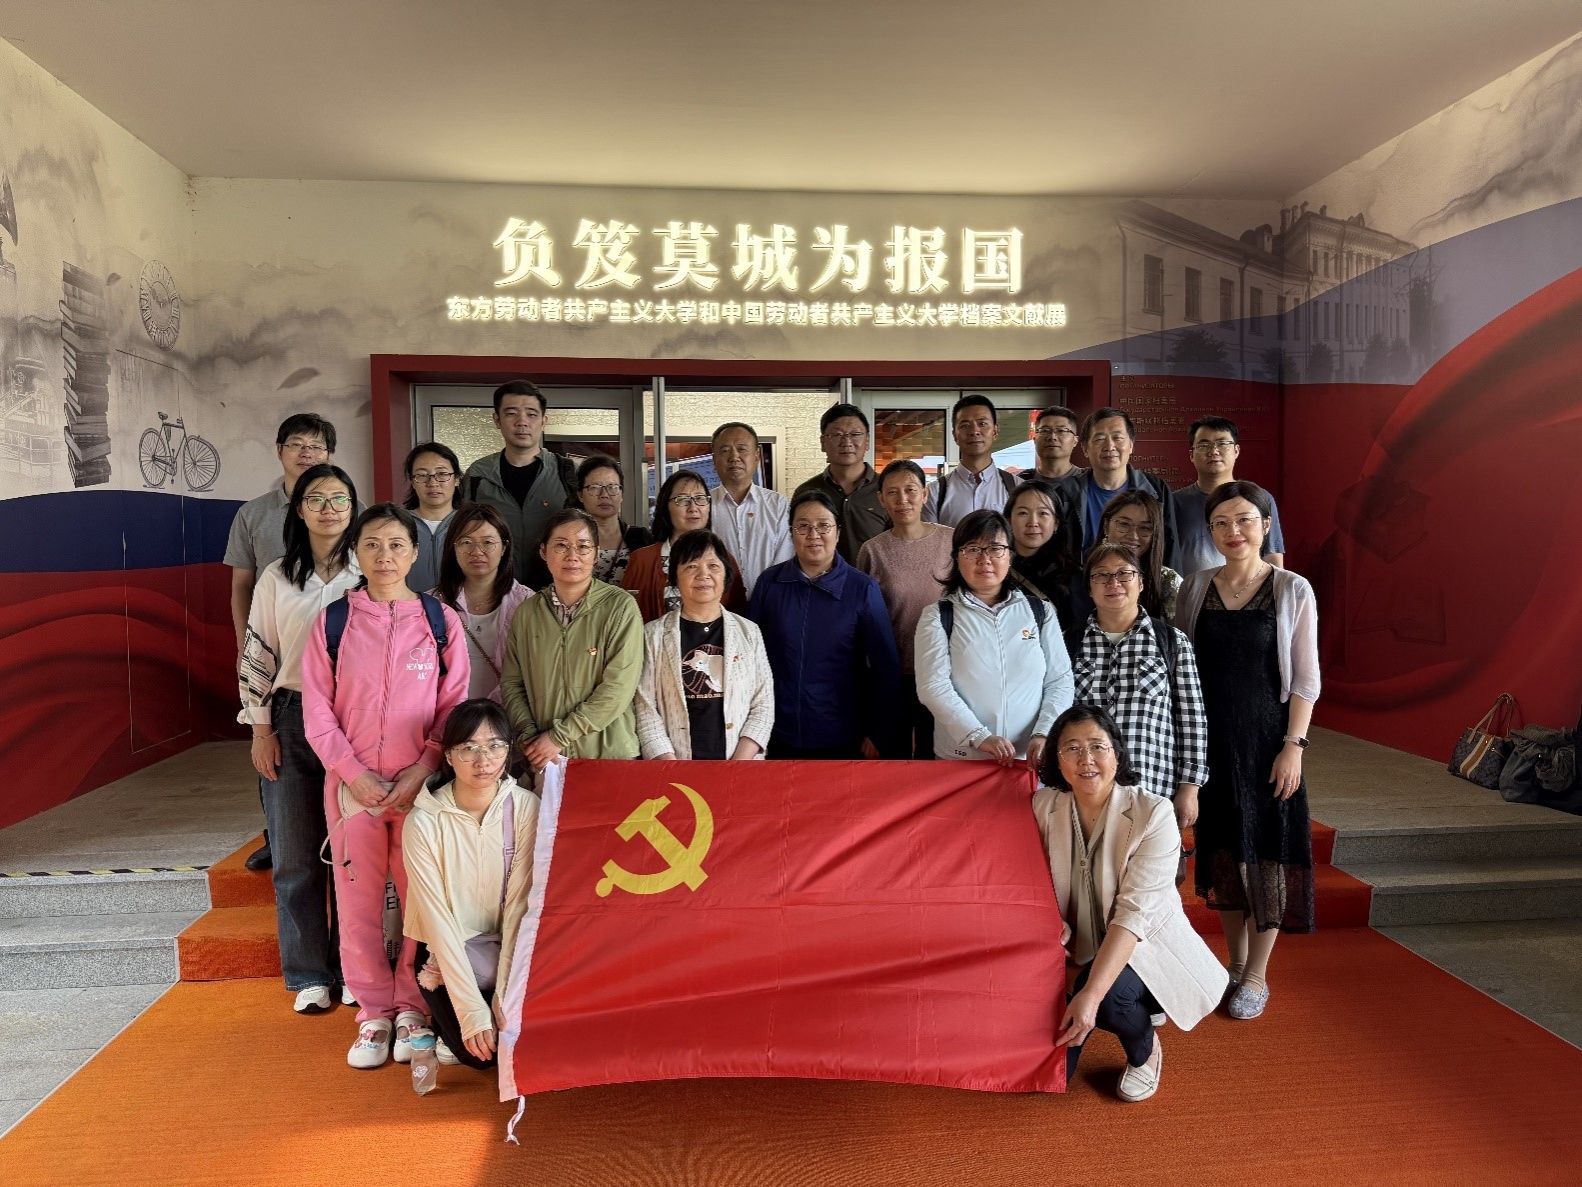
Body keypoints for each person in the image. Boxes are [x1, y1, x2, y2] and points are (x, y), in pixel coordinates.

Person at [301, 503, 469, 1070]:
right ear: (356, 552)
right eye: (372, 544)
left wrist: (423, 768)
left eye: (397, 544)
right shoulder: (334, 622)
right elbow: (317, 712)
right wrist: (354, 774)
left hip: (421, 789)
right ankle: (373, 1012)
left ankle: (413, 1008)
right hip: (355, 792)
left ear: (415, 553)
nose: (385, 556)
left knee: (421, 902)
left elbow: (453, 706)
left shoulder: (440, 621)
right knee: (358, 905)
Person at [1174, 481, 1319, 1021]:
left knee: (1267, 851)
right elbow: (1181, 669)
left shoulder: (1291, 589)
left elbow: (1305, 679)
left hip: (1267, 743)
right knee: (1222, 851)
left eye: (1244, 520)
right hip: (1209, 743)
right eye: (1221, 523)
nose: (1233, 532)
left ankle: (1257, 973)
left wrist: (1293, 746)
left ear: (1265, 526)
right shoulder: (1195, 587)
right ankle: (1234, 965)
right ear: (1209, 531)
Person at [1033, 705, 1229, 1101]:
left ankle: (1145, 1051)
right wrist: (1050, 919)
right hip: (1074, 946)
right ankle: (1091, 991)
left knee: (1107, 1000)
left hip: (1143, 945)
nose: (1086, 760)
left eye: (1097, 746)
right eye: (1072, 748)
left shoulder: (1153, 813)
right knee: (1052, 1072)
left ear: (1117, 754)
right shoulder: (1044, 807)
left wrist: (1089, 995)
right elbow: (1030, 880)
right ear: (1056, 758)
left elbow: (1133, 917)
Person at [237, 463, 361, 1015]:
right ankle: (309, 972)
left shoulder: (370, 571)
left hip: (356, 721)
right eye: (316, 499)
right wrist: (260, 729)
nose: (329, 508)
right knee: (293, 854)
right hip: (291, 715)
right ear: (299, 510)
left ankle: (354, 968)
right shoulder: (276, 577)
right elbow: (258, 654)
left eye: (339, 498)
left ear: (353, 508)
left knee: (354, 854)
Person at [226, 412, 339, 872]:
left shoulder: (346, 510)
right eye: (297, 444)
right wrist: (246, 646)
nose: (307, 453)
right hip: (277, 652)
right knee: (274, 752)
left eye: (316, 446)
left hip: (338, 676)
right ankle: (279, 837)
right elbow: (241, 585)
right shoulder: (253, 514)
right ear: (280, 451)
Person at [402, 698, 538, 1072]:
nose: (483, 760)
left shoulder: (525, 808)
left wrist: (504, 997)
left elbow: (519, 907)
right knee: (480, 1058)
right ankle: (445, 1016)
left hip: (508, 946)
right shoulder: (424, 822)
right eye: (469, 748)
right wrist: (472, 1011)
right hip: (446, 950)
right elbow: (437, 922)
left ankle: (483, 998)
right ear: (448, 756)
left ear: (508, 751)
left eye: (495, 746)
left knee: (521, 1043)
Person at [748, 490, 902, 759]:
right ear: (791, 533)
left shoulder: (862, 588)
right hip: (777, 729)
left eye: (823, 526)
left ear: (838, 532)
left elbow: (885, 665)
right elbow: (749, 658)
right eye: (803, 526)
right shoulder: (770, 583)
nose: (813, 535)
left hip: (843, 731)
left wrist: (878, 731)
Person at [914, 510, 1074, 765]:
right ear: (956, 557)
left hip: (1029, 757)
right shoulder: (938, 615)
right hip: (962, 758)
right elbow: (932, 687)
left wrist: (1044, 732)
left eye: (995, 549)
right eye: (972, 549)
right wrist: (979, 736)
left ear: (1010, 556)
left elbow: (1060, 680)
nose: (984, 559)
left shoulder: (1040, 611)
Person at [1069, 543, 1208, 822]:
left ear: (1141, 583)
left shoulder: (1172, 642)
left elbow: (1192, 718)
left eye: (1124, 573)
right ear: (1090, 588)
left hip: (1152, 789)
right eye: (1102, 575)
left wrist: (1190, 789)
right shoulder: (1069, 643)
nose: (1114, 583)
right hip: (1083, 791)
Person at [500, 508, 644, 773]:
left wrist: (558, 736)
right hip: (547, 759)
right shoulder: (527, 612)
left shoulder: (620, 607)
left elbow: (619, 687)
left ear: (596, 554)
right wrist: (530, 738)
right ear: (544, 552)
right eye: (561, 545)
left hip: (610, 756)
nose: (572, 555)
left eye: (583, 546)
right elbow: (512, 683)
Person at [634, 529, 775, 760]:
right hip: (674, 766)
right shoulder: (652, 635)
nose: (703, 575)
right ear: (675, 577)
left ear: (726, 575)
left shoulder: (749, 632)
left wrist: (738, 765)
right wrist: (671, 768)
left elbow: (763, 704)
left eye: (713, 566)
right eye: (691, 566)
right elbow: (645, 709)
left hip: (741, 764)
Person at [856, 460, 955, 758]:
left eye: (910, 490)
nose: (903, 500)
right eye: (892, 492)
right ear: (881, 499)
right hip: (893, 671)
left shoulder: (951, 541)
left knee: (934, 752)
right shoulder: (872, 550)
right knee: (894, 753)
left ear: (924, 494)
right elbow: (864, 617)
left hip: (943, 668)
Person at [461, 380, 578, 588]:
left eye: (531, 414)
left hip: (555, 590)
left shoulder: (567, 472)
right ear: (497, 420)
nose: (522, 422)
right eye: (511, 413)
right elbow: (463, 533)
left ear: (544, 421)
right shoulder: (478, 474)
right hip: (494, 589)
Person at [1056, 407, 1179, 571]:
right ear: (1085, 448)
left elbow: (1170, 546)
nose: (1109, 446)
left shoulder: (1156, 490)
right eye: (1100, 439)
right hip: (1081, 583)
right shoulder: (1066, 493)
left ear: (1131, 445)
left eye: (1118, 438)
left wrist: (1169, 584)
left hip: (1141, 581)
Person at [433, 504, 534, 703]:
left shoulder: (528, 603)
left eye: (488, 542)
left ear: (504, 547)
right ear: (453, 548)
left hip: (509, 714)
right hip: (449, 715)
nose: (477, 551)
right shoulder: (432, 605)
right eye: (466, 542)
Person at [623, 469, 747, 622]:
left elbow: (738, 616)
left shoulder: (725, 559)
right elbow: (626, 616)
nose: (693, 508)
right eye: (682, 499)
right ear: (665, 507)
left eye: (700, 498)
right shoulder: (642, 560)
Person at [1173, 416, 1288, 575]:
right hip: (1189, 589)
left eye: (1222, 443)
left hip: (1248, 589)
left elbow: (1272, 556)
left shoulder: (1260, 498)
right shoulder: (1174, 502)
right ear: (1192, 455)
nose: (1214, 451)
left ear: (1236, 451)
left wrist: (1273, 588)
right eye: (1204, 445)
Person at [793, 403, 888, 563]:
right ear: (823, 443)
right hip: (821, 578)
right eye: (837, 435)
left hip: (875, 578)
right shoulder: (807, 491)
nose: (846, 442)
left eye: (855, 434)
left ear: (867, 441)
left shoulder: (886, 489)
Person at [708, 422, 793, 597]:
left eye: (742, 449)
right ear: (714, 460)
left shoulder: (778, 505)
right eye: (725, 450)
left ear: (756, 456)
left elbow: (785, 561)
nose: (734, 457)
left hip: (769, 603)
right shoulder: (703, 506)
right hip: (716, 604)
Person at [923, 394, 1018, 527]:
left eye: (982, 424)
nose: (974, 431)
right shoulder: (935, 493)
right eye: (965, 425)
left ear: (995, 431)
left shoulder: (1017, 488)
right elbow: (930, 540)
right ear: (955, 435)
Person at [1005, 478, 1081, 629]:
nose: (1033, 522)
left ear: (1056, 523)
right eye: (1023, 513)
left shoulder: (1073, 576)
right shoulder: (993, 568)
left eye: (1043, 513)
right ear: (1009, 520)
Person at [1100, 491, 1182, 619]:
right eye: (1124, 524)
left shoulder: (1168, 582)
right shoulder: (1083, 576)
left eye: (1145, 528)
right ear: (1106, 526)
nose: (1133, 536)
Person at [575, 455, 653, 586]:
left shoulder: (642, 538)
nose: (604, 495)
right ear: (580, 495)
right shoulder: (569, 540)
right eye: (595, 487)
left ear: (621, 494)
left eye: (612, 487)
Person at [402, 441, 463, 595]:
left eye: (442, 474)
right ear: (413, 482)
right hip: (410, 608)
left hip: (462, 608)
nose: (433, 483)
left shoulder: (469, 524)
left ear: (456, 479)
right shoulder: (398, 524)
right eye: (422, 475)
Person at [1027, 405, 1085, 483]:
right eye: (1045, 430)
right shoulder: (1019, 482)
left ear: (1075, 441)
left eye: (1061, 430)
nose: (1052, 437)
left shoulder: (1089, 481)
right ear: (1035, 440)